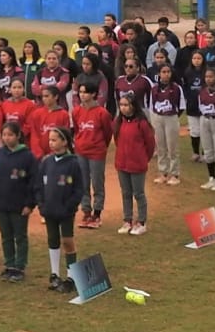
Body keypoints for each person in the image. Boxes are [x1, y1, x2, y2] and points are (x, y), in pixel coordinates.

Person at [0, 123, 35, 282]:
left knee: (20, 236)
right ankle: (9, 264)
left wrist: (29, 204)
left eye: (10, 135)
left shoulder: (27, 156)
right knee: (6, 236)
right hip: (1, 204)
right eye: (4, 135)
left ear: (18, 135)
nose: (7, 138)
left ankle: (20, 266)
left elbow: (33, 183)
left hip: (19, 206)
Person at [37, 128, 83, 293]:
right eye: (50, 140)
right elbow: (39, 186)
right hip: (49, 210)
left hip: (65, 211)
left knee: (67, 242)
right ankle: (54, 274)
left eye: (55, 140)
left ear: (65, 142)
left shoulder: (73, 163)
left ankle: (71, 277)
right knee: (53, 240)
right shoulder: (46, 162)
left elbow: (79, 189)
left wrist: (70, 206)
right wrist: (41, 204)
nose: (51, 143)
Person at [111, 95, 156, 235]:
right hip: (122, 164)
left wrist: (143, 159)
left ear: (133, 106)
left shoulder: (141, 123)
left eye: (126, 105)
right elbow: (117, 141)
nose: (123, 108)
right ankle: (127, 220)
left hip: (137, 165)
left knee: (139, 193)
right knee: (126, 193)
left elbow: (150, 144)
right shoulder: (119, 122)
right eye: (121, 105)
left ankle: (141, 222)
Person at [71, 84, 114, 228]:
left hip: (96, 152)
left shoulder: (102, 113)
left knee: (97, 183)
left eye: (86, 92)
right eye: (81, 92)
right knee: (83, 183)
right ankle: (86, 212)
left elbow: (108, 133)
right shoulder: (76, 111)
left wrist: (101, 147)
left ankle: (97, 214)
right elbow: (77, 130)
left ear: (94, 94)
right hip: (81, 151)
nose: (82, 95)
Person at [149, 65, 183, 185]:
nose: (166, 74)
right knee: (160, 146)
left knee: (172, 147)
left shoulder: (176, 88)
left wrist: (173, 116)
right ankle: (163, 172)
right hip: (158, 117)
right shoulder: (154, 88)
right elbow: (152, 105)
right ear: (159, 74)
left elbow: (181, 106)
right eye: (163, 72)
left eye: (168, 72)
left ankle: (174, 174)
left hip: (171, 117)